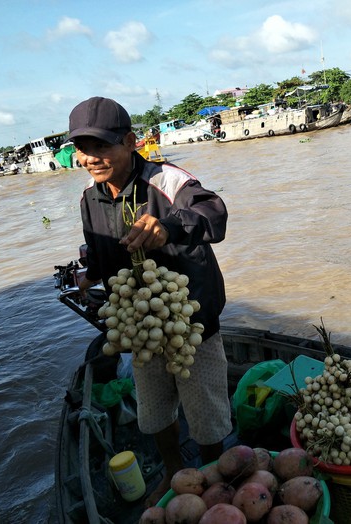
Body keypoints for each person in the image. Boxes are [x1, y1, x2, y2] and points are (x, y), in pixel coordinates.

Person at [68, 96, 232, 506]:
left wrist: (170, 228)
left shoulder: (169, 180)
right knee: (154, 413)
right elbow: (101, 251)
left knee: (207, 417)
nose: (90, 158)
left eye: (101, 147)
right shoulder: (90, 198)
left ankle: (214, 482)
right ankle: (176, 473)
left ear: (130, 141)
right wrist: (90, 275)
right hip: (141, 325)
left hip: (190, 318)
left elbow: (215, 214)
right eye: (83, 150)